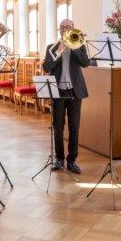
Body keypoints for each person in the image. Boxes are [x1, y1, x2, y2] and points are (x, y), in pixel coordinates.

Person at [43, 19, 90, 174]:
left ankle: (72, 161)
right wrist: (59, 52)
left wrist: (73, 47)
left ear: (73, 29)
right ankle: (59, 159)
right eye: (62, 27)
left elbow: (85, 63)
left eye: (68, 27)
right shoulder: (51, 47)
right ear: (59, 30)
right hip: (58, 91)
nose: (65, 29)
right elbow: (46, 67)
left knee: (74, 127)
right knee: (58, 126)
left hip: (75, 91)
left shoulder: (80, 45)